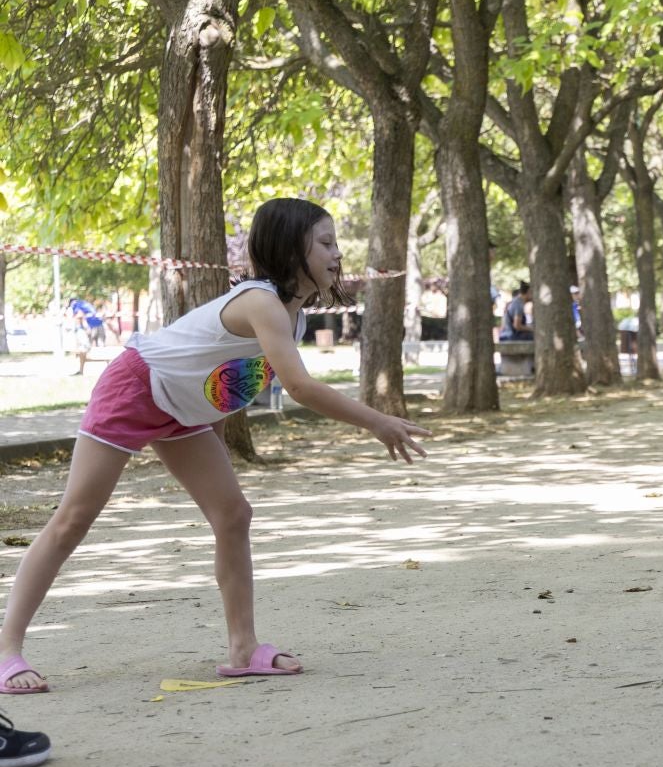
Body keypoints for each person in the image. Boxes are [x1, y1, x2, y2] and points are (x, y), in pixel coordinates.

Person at [0, 198, 430, 695]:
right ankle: (7, 650)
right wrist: (378, 422)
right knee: (73, 518)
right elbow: (301, 388)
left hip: (182, 412)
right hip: (136, 387)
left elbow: (228, 383)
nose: (338, 254)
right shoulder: (261, 303)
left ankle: (243, 649)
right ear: (293, 250)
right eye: (327, 243)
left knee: (233, 515)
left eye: (336, 243)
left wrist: (215, 443)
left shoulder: (293, 317)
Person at [69, 299, 109, 374]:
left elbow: (80, 315)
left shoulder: (75, 305)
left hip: (91, 327)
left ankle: (81, 370)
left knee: (84, 349)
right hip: (99, 324)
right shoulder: (84, 303)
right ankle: (107, 370)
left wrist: (85, 326)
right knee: (101, 347)